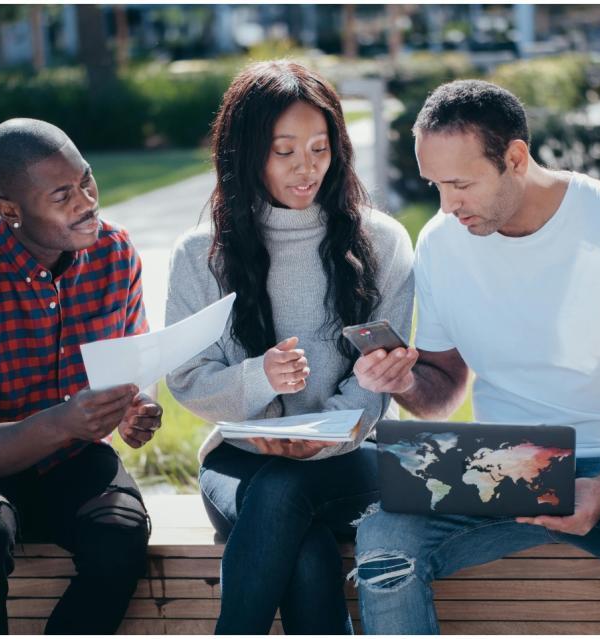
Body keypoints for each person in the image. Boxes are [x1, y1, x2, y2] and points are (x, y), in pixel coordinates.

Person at [350, 79, 600, 635]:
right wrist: (399, 379)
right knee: (382, 545)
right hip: (501, 463)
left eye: (462, 184)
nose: (448, 205)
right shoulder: (442, 242)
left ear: (515, 158)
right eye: (436, 185)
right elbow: (444, 391)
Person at [165, 60, 414, 634]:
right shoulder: (199, 253)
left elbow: (375, 380)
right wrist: (259, 379)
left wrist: (321, 436)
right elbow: (189, 380)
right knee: (303, 547)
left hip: (355, 458)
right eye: (285, 152)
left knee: (285, 491)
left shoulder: (382, 241)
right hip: (238, 463)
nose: (307, 169)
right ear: (246, 152)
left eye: (320, 148)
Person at [0, 118, 164, 634]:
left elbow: (138, 359)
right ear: (10, 211)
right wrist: (65, 421)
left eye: (87, 179)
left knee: (122, 533)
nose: (87, 200)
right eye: (63, 194)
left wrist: (138, 406)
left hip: (70, 459)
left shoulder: (114, 252)